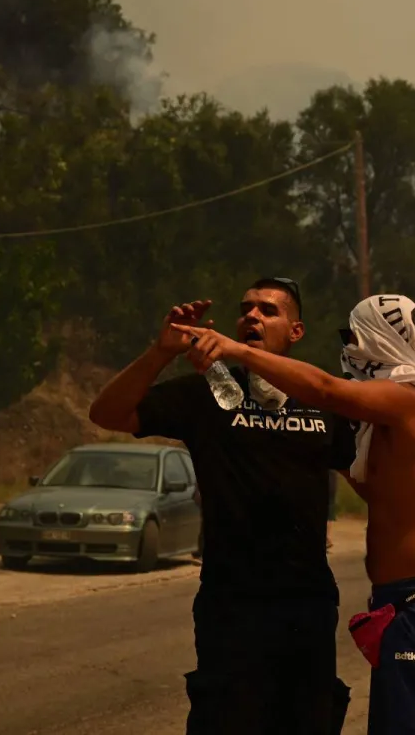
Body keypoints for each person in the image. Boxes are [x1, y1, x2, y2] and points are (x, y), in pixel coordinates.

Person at [173, 293, 415, 735]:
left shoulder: (410, 400)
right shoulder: (403, 415)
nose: (348, 346)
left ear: (377, 340)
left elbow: (326, 390)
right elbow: (403, 499)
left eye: (352, 335)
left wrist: (234, 350)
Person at [88, 278, 356, 735]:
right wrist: (160, 353)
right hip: (232, 602)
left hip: (306, 601)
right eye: (246, 309)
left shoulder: (320, 396)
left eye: (268, 310)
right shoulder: (207, 393)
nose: (251, 316)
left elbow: (370, 480)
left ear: (296, 331)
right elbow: (106, 414)